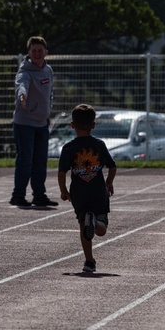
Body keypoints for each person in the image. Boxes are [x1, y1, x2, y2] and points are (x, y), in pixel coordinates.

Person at [57, 104, 117, 273]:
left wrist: (63, 191)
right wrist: (109, 183)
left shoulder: (68, 148)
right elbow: (112, 167)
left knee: (83, 226)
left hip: (79, 193)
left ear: (72, 125)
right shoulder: (99, 145)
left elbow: (62, 172)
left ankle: (89, 261)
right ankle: (97, 221)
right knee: (101, 230)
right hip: (98, 192)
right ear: (93, 125)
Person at [11, 35, 58, 208]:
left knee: (40, 160)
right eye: (33, 51)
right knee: (26, 159)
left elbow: (49, 93)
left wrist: (48, 112)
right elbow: (21, 85)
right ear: (29, 53)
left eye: (40, 51)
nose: (37, 54)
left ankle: (39, 195)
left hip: (42, 122)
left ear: (46, 52)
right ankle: (18, 195)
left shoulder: (48, 70)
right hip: (24, 123)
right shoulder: (25, 72)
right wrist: (22, 96)